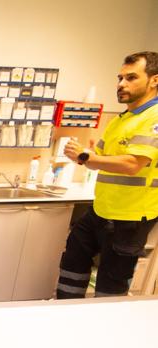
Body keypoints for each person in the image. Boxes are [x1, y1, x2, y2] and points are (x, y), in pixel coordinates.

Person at [58, 51, 158, 298]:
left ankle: (103, 330)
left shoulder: (154, 117)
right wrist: (84, 156)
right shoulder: (121, 120)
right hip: (101, 210)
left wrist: (88, 157)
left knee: (109, 288)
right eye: (120, 77)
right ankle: (64, 314)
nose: (121, 84)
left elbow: (133, 163)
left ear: (154, 80)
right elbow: (96, 160)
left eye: (131, 77)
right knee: (72, 262)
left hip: (129, 218)